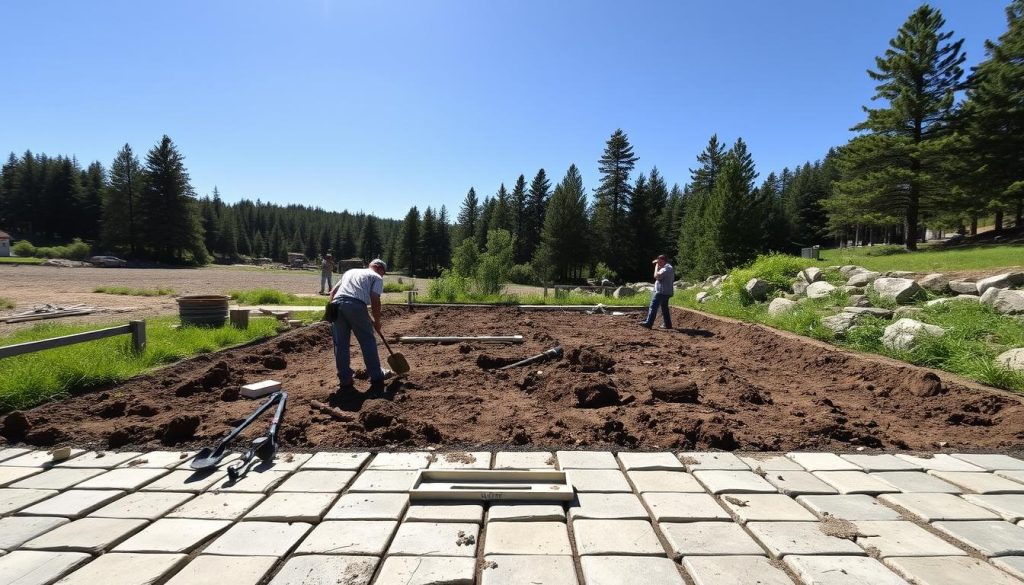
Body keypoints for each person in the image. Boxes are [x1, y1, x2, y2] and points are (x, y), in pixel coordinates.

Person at [327, 258, 393, 389]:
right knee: (367, 340)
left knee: (340, 344)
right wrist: (378, 321)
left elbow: (333, 292)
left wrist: (331, 311)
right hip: (356, 305)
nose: (382, 276)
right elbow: (375, 299)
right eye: (383, 273)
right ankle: (376, 375)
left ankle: (345, 379)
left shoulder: (350, 272)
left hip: (336, 305)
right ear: (380, 269)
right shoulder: (376, 277)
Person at [641, 254, 674, 329]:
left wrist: (656, 268)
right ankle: (667, 324)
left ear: (663, 261)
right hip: (666, 292)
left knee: (653, 306)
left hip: (661, 292)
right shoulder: (668, 267)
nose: (658, 264)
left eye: (658, 262)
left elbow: (656, 276)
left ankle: (649, 323)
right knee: (664, 308)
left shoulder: (666, 268)